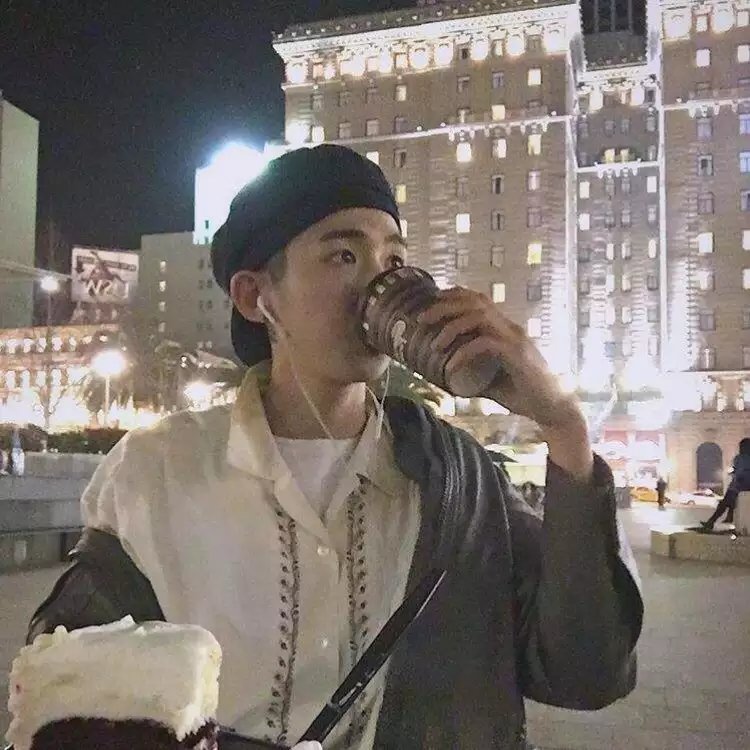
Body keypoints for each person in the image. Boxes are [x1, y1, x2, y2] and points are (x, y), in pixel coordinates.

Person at [23, 145, 642, 749]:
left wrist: (564, 427)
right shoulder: (157, 471)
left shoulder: (457, 475)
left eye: (394, 258)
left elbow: (586, 673)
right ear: (255, 296)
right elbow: (70, 689)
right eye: (344, 255)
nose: (381, 282)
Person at [701, 438, 750, 530]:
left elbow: (739, 472)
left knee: (724, 503)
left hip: (739, 486)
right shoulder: (741, 458)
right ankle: (726, 517)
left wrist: (734, 473)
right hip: (742, 486)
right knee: (728, 501)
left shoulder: (740, 458)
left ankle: (712, 521)